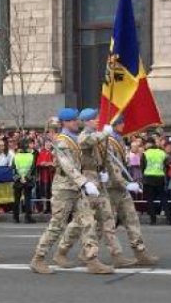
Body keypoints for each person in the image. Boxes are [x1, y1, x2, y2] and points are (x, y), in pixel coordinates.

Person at [29, 108, 111, 275]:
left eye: (76, 119)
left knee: (88, 222)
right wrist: (84, 182)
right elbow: (67, 166)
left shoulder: (74, 138)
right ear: (65, 122)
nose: (76, 122)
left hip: (77, 188)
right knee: (57, 226)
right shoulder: (62, 141)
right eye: (73, 120)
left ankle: (92, 259)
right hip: (64, 189)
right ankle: (38, 259)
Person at [53, 108, 125, 270]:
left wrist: (109, 174)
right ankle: (62, 251)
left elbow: (105, 158)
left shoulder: (99, 135)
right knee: (82, 220)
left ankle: (109, 254)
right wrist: (105, 134)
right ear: (86, 122)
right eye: (94, 118)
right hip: (88, 181)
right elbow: (86, 142)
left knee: (107, 217)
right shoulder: (83, 135)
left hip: (99, 180)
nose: (98, 120)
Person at [105, 116, 158, 266]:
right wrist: (125, 183)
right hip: (112, 186)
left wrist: (126, 183)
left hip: (121, 185)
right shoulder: (108, 141)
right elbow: (111, 166)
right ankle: (98, 254)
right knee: (105, 222)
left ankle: (140, 252)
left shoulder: (119, 139)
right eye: (120, 123)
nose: (123, 125)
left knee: (131, 218)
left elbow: (120, 164)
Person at [141, 139, 171, 225]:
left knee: (150, 200)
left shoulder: (145, 153)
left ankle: (153, 220)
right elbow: (167, 164)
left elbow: (142, 167)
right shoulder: (162, 153)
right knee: (163, 199)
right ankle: (169, 219)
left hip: (148, 178)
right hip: (159, 177)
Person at [11, 140, 35, 224]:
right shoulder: (31, 156)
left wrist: (19, 178)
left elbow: (13, 168)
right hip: (27, 180)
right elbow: (32, 169)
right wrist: (26, 178)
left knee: (16, 199)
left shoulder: (16, 156)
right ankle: (28, 218)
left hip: (18, 180)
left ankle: (15, 217)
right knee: (27, 199)